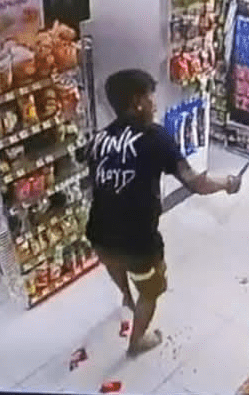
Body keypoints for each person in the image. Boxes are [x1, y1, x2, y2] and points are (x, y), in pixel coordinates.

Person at [86, 69, 241, 355]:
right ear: (137, 102)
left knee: (115, 264)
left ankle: (126, 298)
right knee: (151, 290)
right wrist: (228, 182)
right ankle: (137, 341)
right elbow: (196, 183)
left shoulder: (97, 141)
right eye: (150, 97)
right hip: (138, 244)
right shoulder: (155, 137)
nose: (155, 104)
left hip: (99, 236)